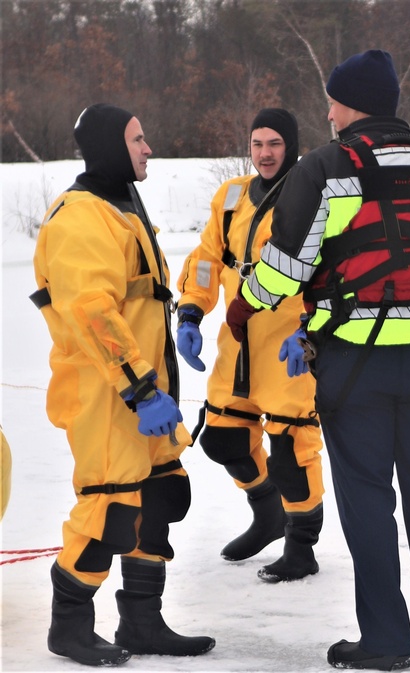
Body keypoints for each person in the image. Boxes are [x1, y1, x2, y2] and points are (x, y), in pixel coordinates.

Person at [225, 50, 410, 670]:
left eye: (331, 101)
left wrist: (242, 308)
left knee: (368, 503)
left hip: (355, 365)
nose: (326, 112)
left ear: (350, 105)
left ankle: (384, 642)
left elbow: (285, 269)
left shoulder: (326, 166)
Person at [31, 104, 215, 667]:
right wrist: (140, 390)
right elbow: (93, 314)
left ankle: (142, 621)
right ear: (112, 145)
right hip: (108, 396)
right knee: (110, 508)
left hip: (145, 391)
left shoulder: (122, 207)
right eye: (138, 139)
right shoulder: (81, 217)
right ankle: (69, 626)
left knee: (157, 497)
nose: (149, 148)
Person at [175, 108, 325, 583]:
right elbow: (206, 259)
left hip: (290, 345)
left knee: (290, 450)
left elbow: (328, 274)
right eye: (258, 143)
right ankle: (268, 514)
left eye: (275, 143)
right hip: (238, 341)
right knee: (223, 437)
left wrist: (311, 329)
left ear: (292, 145)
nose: (265, 153)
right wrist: (191, 311)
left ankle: (302, 546)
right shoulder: (232, 196)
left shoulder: (311, 195)